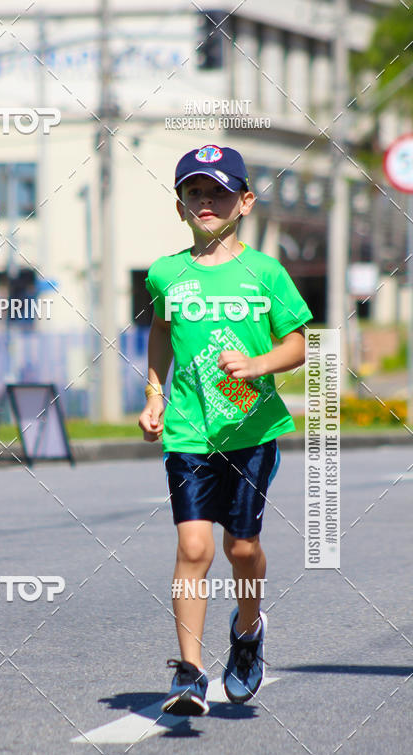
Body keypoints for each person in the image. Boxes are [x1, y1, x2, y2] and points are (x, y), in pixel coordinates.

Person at [139, 144, 312, 715]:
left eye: (217, 191)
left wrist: (257, 365)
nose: (205, 202)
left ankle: (247, 628)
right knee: (194, 546)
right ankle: (188, 672)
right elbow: (161, 335)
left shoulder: (265, 271)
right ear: (181, 204)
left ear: (245, 201)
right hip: (189, 433)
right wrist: (154, 396)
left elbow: (296, 344)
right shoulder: (166, 273)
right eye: (194, 192)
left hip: (252, 428)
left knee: (242, 547)